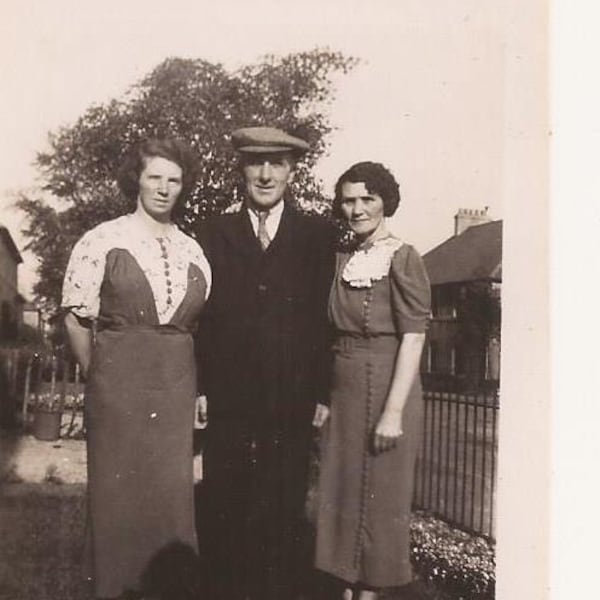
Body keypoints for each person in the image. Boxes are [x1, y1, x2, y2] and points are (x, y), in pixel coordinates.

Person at [62, 138, 211, 600]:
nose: (165, 188)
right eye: (155, 177)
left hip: (175, 391)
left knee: (170, 502)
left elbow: (199, 329)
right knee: (119, 503)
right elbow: (75, 317)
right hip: (117, 391)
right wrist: (101, 378)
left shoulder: (194, 249)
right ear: (137, 180)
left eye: (174, 179)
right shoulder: (103, 239)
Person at [196, 126, 335, 600]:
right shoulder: (214, 232)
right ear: (242, 170)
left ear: (293, 172)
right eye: (256, 163)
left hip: (290, 396)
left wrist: (320, 394)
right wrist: (201, 386)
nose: (265, 173)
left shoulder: (316, 235)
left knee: (283, 503)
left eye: (277, 163)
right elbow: (203, 316)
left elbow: (323, 319)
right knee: (223, 499)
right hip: (229, 395)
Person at [314, 162, 431, 600]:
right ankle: (347, 588)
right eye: (349, 199)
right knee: (342, 494)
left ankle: (370, 593)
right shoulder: (343, 258)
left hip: (385, 385)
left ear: (386, 202)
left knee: (379, 499)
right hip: (343, 389)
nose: (357, 208)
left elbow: (414, 337)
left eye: (368, 198)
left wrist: (393, 412)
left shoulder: (403, 257)